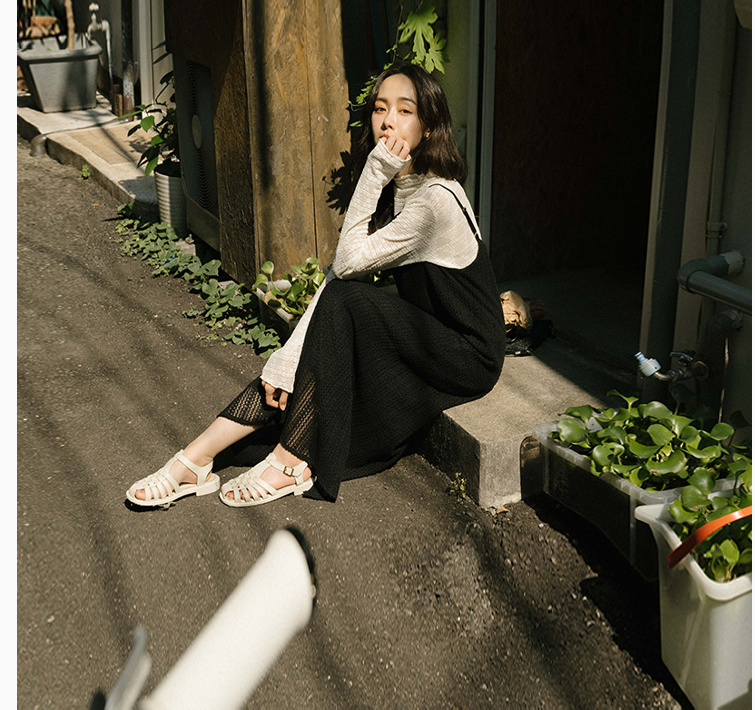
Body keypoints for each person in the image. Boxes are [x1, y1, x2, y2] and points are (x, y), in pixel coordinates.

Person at [126, 62, 506, 508]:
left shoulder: (434, 201)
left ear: (428, 124)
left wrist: (374, 172)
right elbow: (338, 276)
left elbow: (346, 265)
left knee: (338, 326)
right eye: (380, 109)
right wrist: (286, 362)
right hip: (427, 332)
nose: (388, 122)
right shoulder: (400, 187)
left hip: (467, 354)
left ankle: (290, 460)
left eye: (405, 111)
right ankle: (195, 459)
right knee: (298, 370)